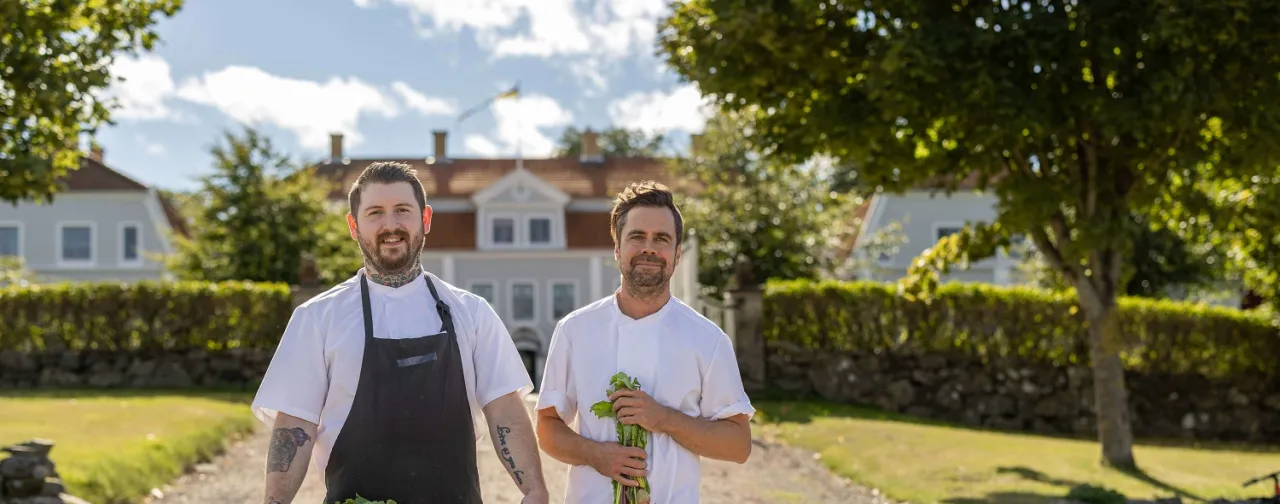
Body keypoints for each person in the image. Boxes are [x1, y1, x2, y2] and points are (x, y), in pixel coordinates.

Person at [250, 161, 549, 504]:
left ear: (426, 219)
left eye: (402, 210)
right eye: (375, 212)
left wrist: (535, 490)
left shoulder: (472, 312)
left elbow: (505, 409)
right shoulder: (317, 318)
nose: (390, 225)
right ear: (353, 225)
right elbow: (295, 424)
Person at [534, 180, 755, 503]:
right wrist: (596, 454)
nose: (649, 248)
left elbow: (738, 445)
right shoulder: (575, 330)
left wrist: (664, 419)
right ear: (617, 249)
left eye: (661, 239)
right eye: (637, 237)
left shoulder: (708, 339)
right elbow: (547, 427)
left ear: (677, 254)